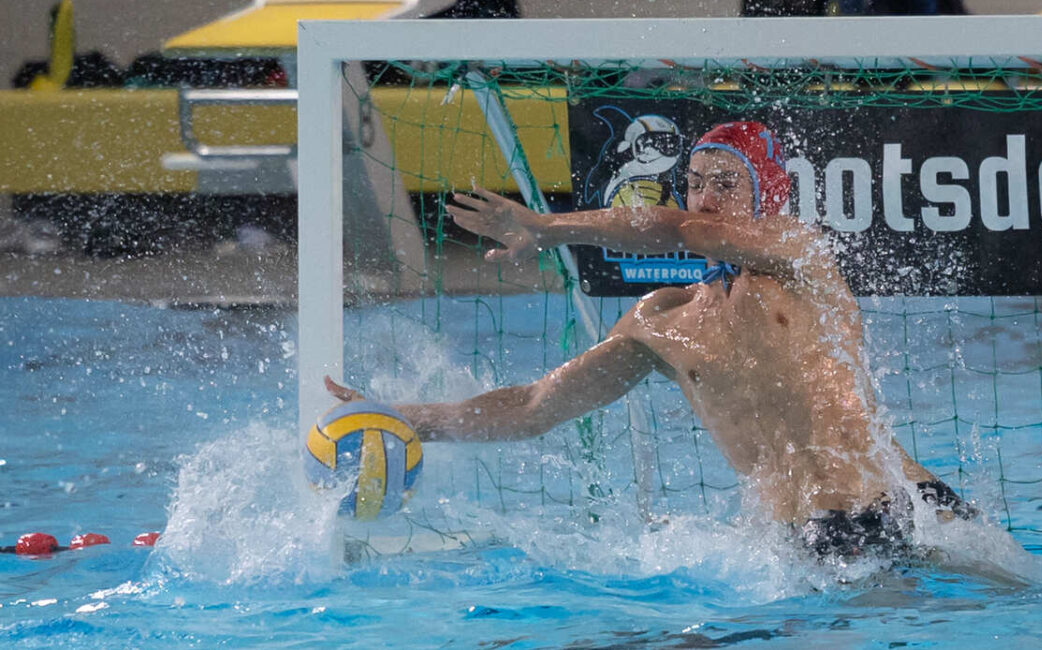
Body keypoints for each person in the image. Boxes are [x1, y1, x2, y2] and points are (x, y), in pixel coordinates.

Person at [326, 121, 975, 557]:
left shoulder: (798, 256)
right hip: (809, 541)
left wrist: (550, 227)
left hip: (912, 507)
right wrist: (399, 417)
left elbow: (679, 231)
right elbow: (530, 408)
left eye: (726, 183)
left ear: (767, 195)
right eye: (694, 182)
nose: (704, 197)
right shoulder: (660, 322)